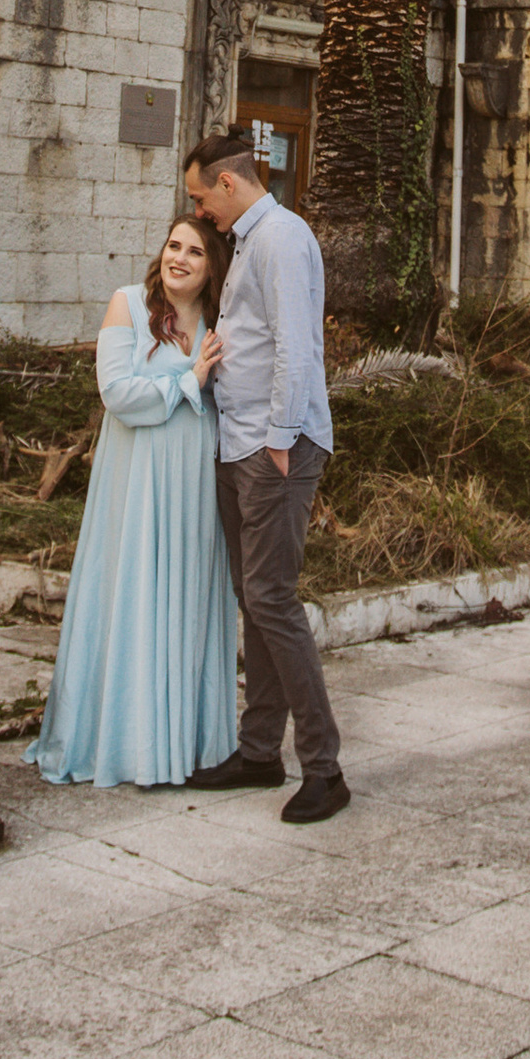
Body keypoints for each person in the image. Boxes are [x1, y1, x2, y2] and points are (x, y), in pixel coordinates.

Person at [29, 214, 239, 789]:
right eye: (174, 245)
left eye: (195, 252)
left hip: (194, 480)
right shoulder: (126, 304)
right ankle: (126, 740)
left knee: (187, 596)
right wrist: (189, 382)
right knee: (133, 589)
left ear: (211, 267)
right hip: (137, 477)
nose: (180, 258)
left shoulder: (219, 321)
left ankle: (186, 740)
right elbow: (117, 394)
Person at [180, 129, 347, 823]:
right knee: (257, 600)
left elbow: (296, 344)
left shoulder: (280, 237)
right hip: (241, 440)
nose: (198, 213)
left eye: (199, 198)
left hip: (274, 449)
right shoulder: (248, 239)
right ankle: (257, 753)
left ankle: (324, 769)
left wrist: (280, 440)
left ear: (227, 182)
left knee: (273, 599)